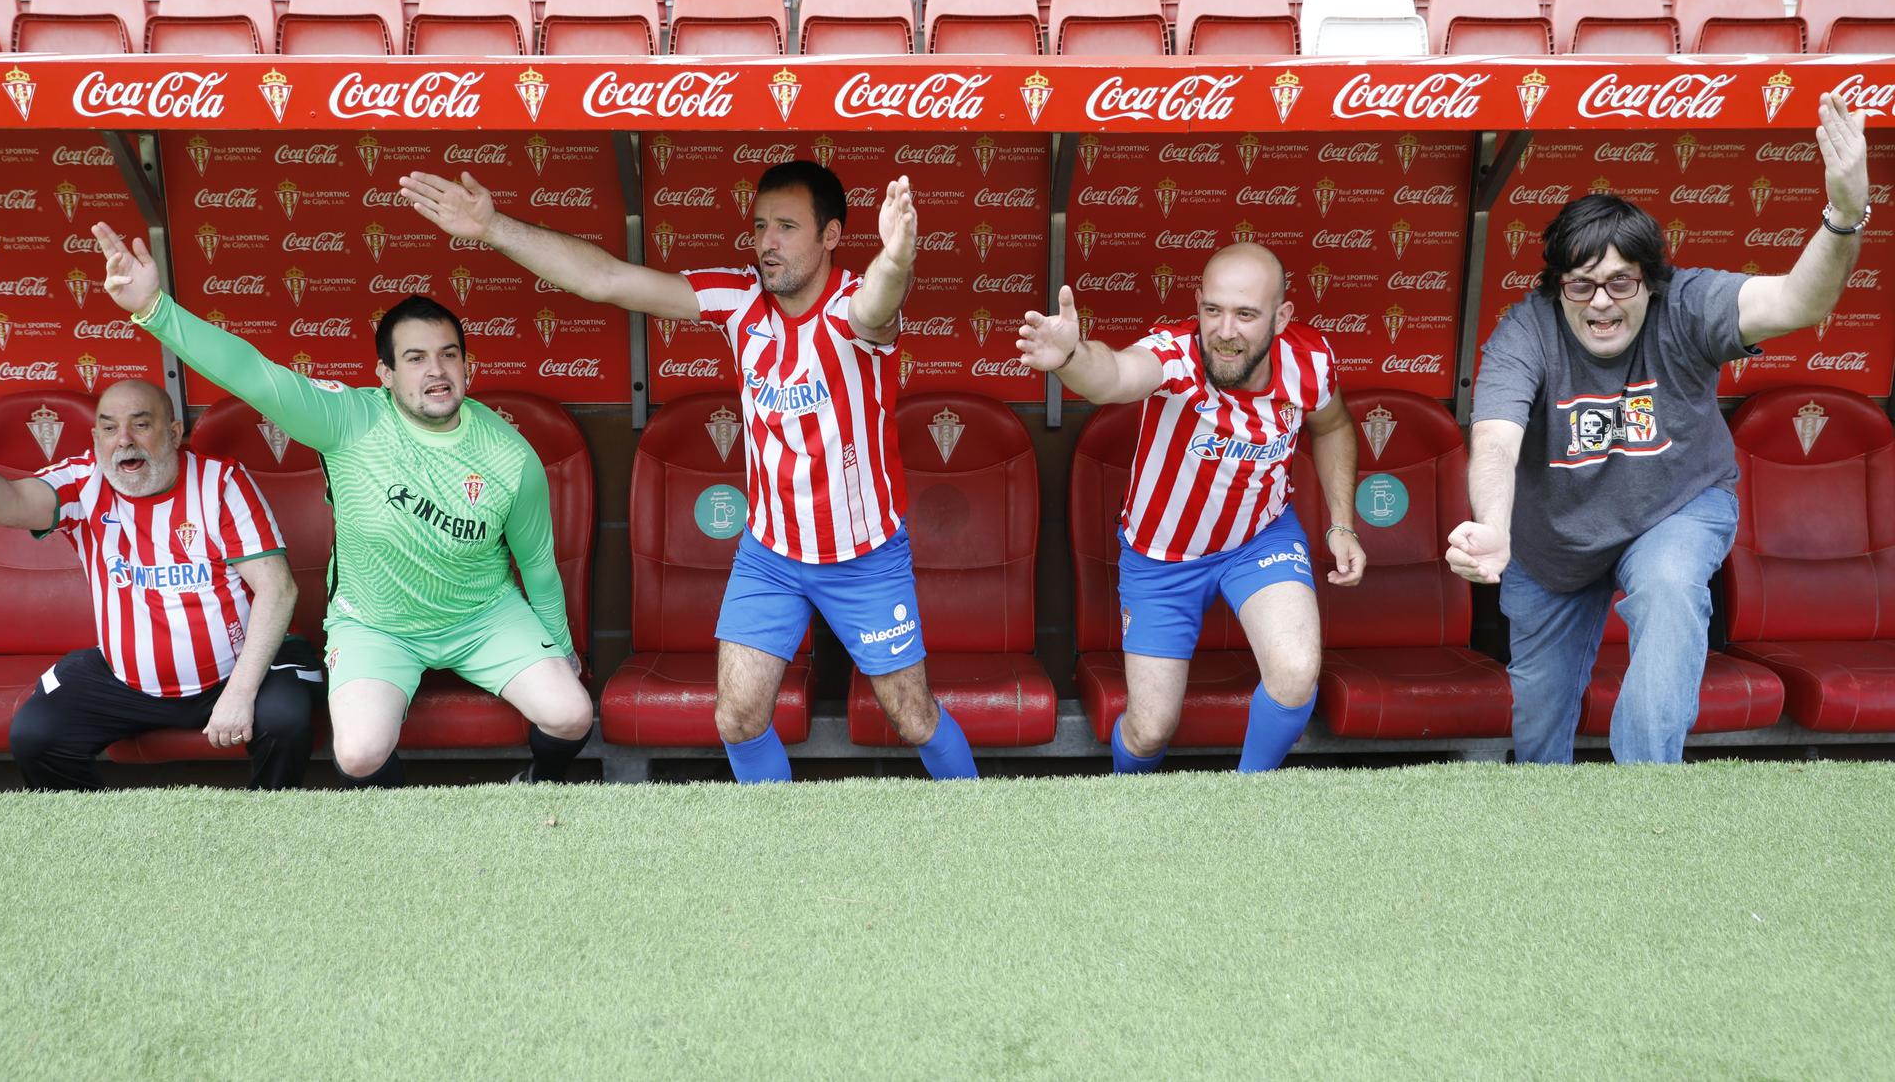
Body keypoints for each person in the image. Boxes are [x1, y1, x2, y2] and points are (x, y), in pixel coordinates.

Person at [399, 160, 978, 784]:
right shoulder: (740, 298)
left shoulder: (849, 310)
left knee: (913, 718)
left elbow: (878, 303)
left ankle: (976, 828)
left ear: (831, 236)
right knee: (738, 716)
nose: (767, 243)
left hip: (863, 555)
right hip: (772, 553)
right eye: (760, 226)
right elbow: (608, 279)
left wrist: (896, 259)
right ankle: (779, 858)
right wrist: (493, 228)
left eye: (787, 227)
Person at [1446, 92, 1874, 764]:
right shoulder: (1524, 328)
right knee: (1538, 724)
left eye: (1621, 283)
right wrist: (1492, 525)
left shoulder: (1689, 303)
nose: (1601, 303)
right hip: (1552, 541)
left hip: (1673, 508)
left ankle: (1645, 801)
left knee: (1672, 585)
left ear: (1652, 281)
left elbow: (1797, 299)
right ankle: (1539, 842)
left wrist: (1845, 215)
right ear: (1555, 285)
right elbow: (1496, 437)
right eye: (1581, 285)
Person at [92, 223, 593, 788]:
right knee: (356, 754)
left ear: (467, 367)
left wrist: (564, 650)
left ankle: (540, 782)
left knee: (572, 712)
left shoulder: (510, 454)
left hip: (482, 616)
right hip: (377, 625)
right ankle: (405, 822)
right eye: (416, 358)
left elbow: (539, 565)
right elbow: (254, 375)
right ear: (386, 374)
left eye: (449, 356)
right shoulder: (349, 419)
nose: (436, 371)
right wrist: (155, 309)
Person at [1016, 243, 1365, 774]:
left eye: (1246, 314)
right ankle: (1129, 816)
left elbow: (1334, 425)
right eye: (1213, 310)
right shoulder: (1177, 352)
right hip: (1163, 555)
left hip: (1259, 538)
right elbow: (1114, 376)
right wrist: (1071, 357)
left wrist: (1342, 523)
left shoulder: (1309, 361)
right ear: (1197, 303)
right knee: (1149, 727)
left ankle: (1246, 804)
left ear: (1282, 316)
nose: (1225, 330)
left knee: (1295, 672)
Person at [0, 379, 317, 789]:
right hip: (127, 679)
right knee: (36, 735)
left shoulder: (219, 483)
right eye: (108, 428)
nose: (123, 440)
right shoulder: (83, 479)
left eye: (140, 425)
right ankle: (94, 835)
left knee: (286, 719)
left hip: (236, 671)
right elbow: (7, 506)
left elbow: (277, 589)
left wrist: (240, 693)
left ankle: (268, 830)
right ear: (95, 437)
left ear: (174, 433)